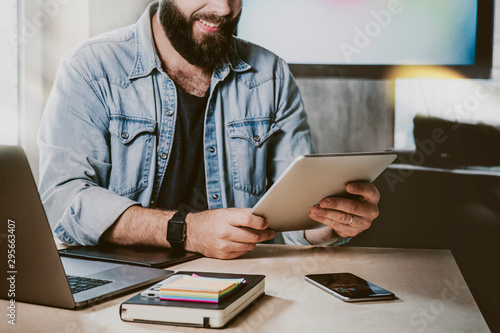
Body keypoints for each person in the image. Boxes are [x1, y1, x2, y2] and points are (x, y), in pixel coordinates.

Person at [38, 0, 380, 259]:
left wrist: (330, 225)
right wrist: (186, 231)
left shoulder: (270, 75)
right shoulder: (90, 68)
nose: (223, 8)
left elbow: (294, 221)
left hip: (243, 280)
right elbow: (62, 201)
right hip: (121, 284)